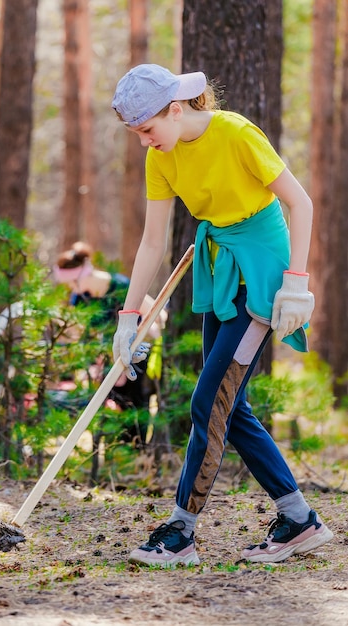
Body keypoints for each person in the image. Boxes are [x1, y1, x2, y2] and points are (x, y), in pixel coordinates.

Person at [111, 63, 333, 567]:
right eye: (137, 134)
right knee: (226, 407)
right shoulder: (160, 157)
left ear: (174, 110)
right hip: (221, 270)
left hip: (264, 275)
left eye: (147, 130)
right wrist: (129, 316)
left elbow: (301, 204)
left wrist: (296, 284)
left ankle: (181, 531)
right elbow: (152, 242)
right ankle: (299, 520)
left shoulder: (234, 132)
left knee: (209, 400)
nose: (144, 142)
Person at [53, 241, 167, 444]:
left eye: (72, 283)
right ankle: (113, 453)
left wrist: (149, 335)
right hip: (103, 362)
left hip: (135, 357)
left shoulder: (121, 287)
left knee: (134, 404)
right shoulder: (80, 298)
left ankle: (134, 451)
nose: (72, 289)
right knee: (108, 407)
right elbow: (77, 332)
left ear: (82, 275)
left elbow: (156, 313)